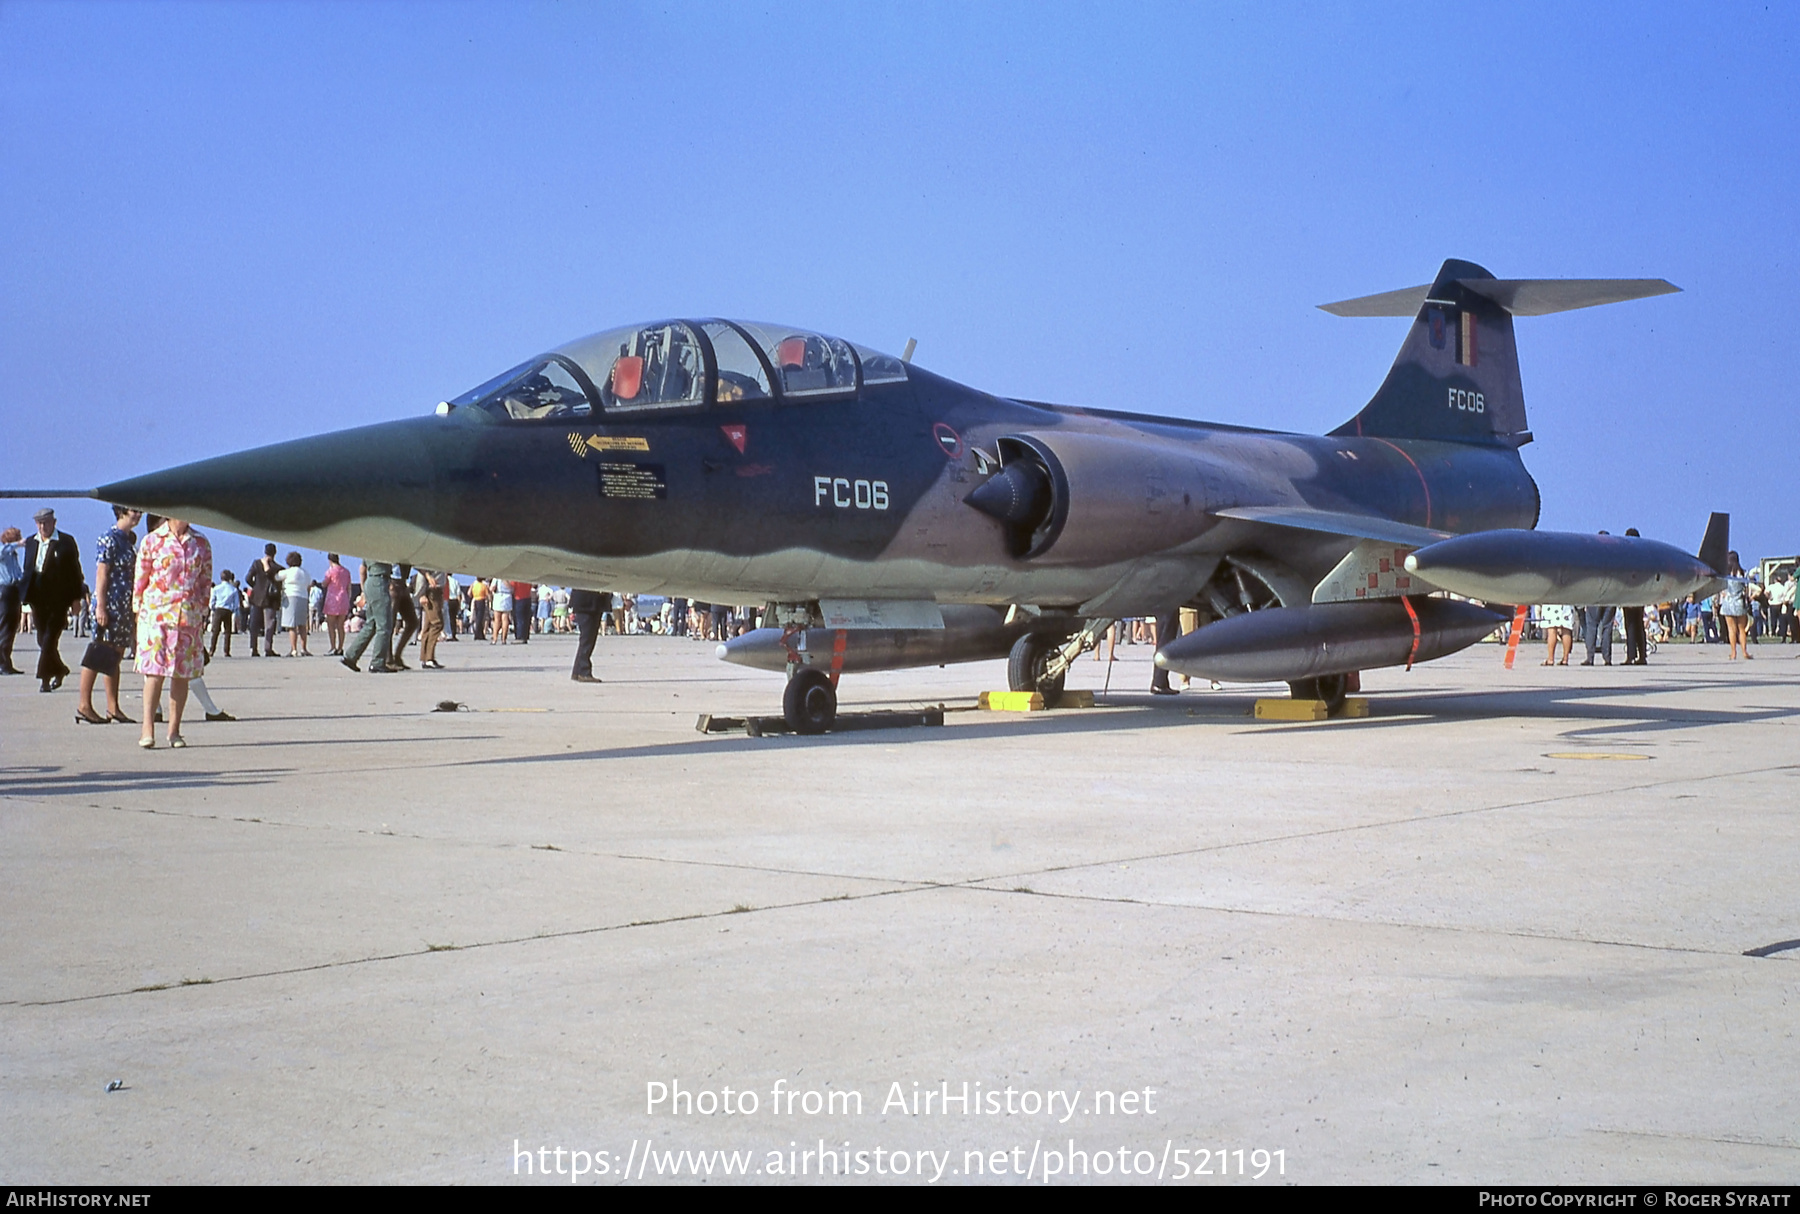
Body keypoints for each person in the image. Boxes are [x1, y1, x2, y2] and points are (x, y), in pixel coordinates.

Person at [133, 516, 212, 748]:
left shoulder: (200, 543)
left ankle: (174, 731)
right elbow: (140, 579)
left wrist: (202, 610)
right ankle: (148, 728)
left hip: (188, 616)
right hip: (156, 615)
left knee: (181, 674)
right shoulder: (153, 540)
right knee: (154, 673)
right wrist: (137, 609)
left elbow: (205, 581)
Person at [75, 505, 142, 724]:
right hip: (109, 602)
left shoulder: (128, 540)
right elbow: (102, 572)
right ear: (122, 511)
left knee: (115, 654)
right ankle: (84, 704)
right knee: (99, 651)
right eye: (134, 510)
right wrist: (100, 606)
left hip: (123, 604)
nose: (138, 514)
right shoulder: (109, 538)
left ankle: (113, 707)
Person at [22, 507, 84, 692]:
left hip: (59, 598)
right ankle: (60, 669)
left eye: (46, 522)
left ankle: (44, 679)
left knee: (50, 639)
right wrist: (23, 595)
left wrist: (76, 599)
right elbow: (28, 569)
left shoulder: (66, 542)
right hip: (37, 597)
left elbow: (75, 571)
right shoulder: (31, 542)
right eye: (40, 523)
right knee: (42, 638)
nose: (43, 526)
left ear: (54, 522)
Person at [342, 559, 396, 673]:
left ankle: (351, 656)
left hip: (370, 582)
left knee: (371, 624)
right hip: (380, 580)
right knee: (384, 625)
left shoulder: (369, 549)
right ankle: (377, 662)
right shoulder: (383, 548)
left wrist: (363, 590)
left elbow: (362, 570)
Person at [245, 543, 282, 657]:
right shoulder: (278, 568)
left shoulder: (256, 564)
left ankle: (253, 648)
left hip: (257, 597)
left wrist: (255, 587)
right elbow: (278, 582)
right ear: (275, 553)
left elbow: (247, 578)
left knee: (254, 624)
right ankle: (268, 648)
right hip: (270, 599)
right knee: (269, 625)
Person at [1620, 528, 1649, 665]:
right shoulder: (1644, 553)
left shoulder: (1626, 554)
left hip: (1629, 592)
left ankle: (1631, 655)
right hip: (1641, 593)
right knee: (1639, 625)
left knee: (1630, 625)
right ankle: (1642, 655)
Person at [1718, 552, 1752, 661]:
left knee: (1731, 629)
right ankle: (1744, 651)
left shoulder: (1725, 574)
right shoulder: (1742, 573)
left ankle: (1733, 653)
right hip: (1739, 602)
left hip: (1728, 603)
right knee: (1741, 629)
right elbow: (1746, 588)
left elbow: (1721, 589)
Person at [278, 551, 313, 656]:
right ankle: (304, 649)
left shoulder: (287, 572)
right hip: (303, 597)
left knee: (292, 625)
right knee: (302, 625)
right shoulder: (305, 573)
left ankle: (293, 649)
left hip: (290, 597)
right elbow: (309, 584)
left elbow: (276, 577)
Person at [569, 588, 609, 682]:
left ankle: (577, 671)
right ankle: (583, 672)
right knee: (588, 639)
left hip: (587, 602)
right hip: (588, 603)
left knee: (586, 640)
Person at [0, 525, 23, 675]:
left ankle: (7, 662)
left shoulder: (13, 555)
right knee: (4, 627)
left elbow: (18, 573)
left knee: (12, 626)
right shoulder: (4, 552)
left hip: (14, 590)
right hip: (5, 591)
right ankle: (2, 664)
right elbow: (3, 550)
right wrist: (17, 544)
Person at [321, 553, 352, 655]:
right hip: (343, 599)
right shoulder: (346, 571)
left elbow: (324, 584)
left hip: (332, 600)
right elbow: (349, 588)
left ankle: (333, 647)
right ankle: (340, 647)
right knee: (340, 626)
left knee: (331, 625)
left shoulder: (331, 571)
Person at [414, 569, 445, 669]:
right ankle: (429, 658)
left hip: (437, 591)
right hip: (431, 592)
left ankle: (425, 657)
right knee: (437, 624)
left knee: (428, 626)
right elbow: (421, 570)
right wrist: (421, 594)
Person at [208, 571, 238, 657]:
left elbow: (212, 601)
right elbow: (236, 603)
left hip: (218, 609)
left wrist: (212, 608)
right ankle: (226, 651)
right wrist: (233, 609)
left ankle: (212, 650)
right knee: (227, 632)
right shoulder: (233, 589)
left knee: (215, 631)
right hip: (228, 610)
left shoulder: (216, 588)